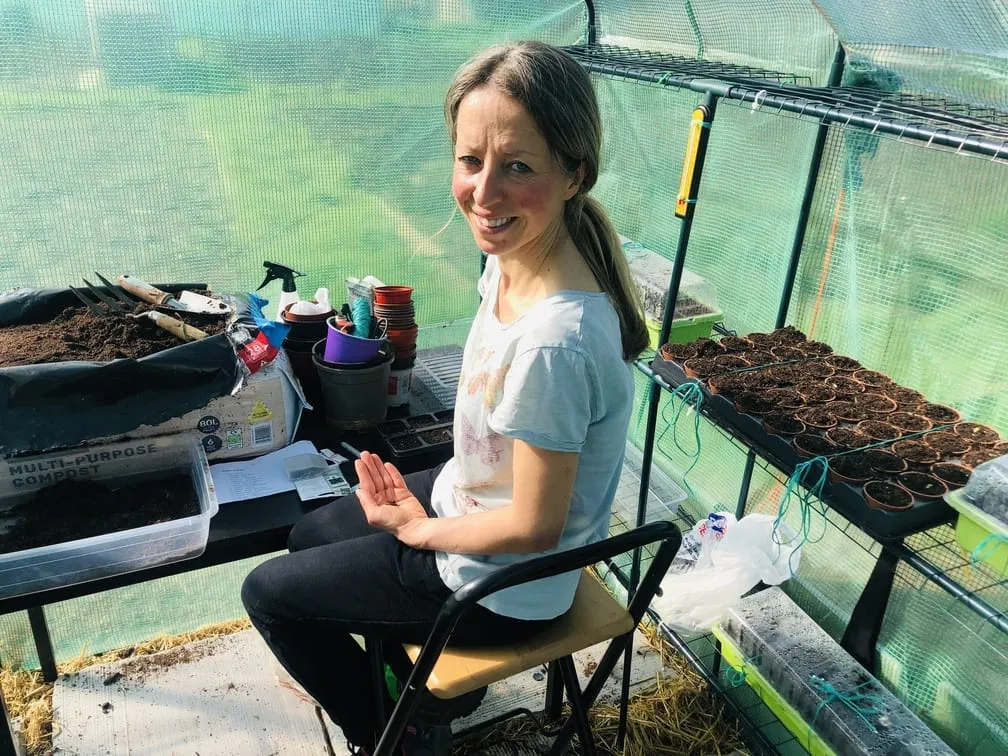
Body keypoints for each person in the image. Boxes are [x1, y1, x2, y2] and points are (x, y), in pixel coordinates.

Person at [241, 40, 649, 756]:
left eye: (517, 166)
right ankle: (423, 694)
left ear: (572, 174)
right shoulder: (512, 257)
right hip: (480, 514)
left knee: (269, 595)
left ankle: (398, 733)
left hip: (509, 590)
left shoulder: (556, 340)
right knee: (308, 535)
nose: (483, 194)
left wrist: (421, 529)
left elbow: (532, 527)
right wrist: (436, 501)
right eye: (470, 160)